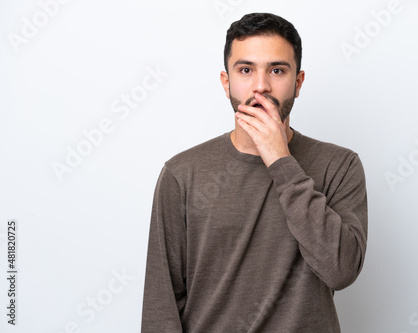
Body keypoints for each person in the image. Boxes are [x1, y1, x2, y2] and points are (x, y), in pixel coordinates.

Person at [141, 12, 368, 333]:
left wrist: (280, 159)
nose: (261, 86)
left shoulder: (340, 166)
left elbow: (340, 271)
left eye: (277, 70)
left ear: (298, 82)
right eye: (246, 70)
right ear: (227, 82)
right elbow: (161, 304)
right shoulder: (182, 174)